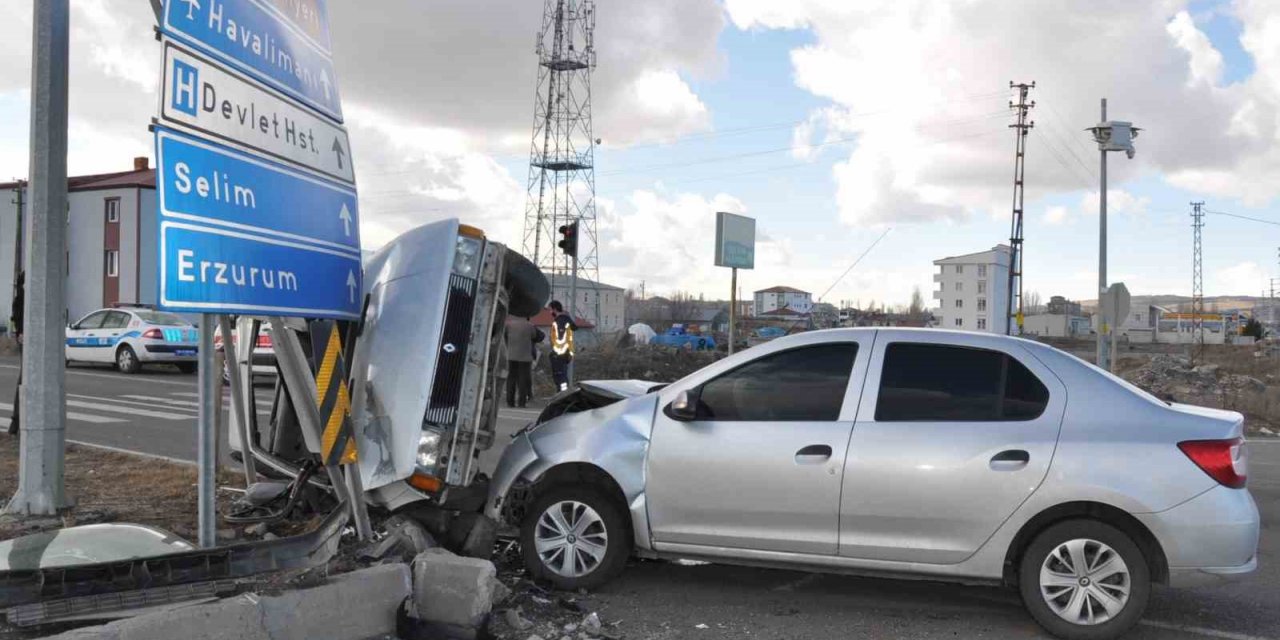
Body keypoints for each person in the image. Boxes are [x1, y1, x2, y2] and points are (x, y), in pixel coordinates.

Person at [504, 315, 542, 408]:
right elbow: (536, 336)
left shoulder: (509, 325)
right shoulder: (529, 326)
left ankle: (510, 402)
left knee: (511, 378)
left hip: (511, 355)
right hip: (525, 356)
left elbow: (505, 337)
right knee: (523, 380)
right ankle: (522, 402)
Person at [547, 300, 577, 392]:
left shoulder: (560, 321)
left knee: (560, 376)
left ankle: (562, 394)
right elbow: (574, 328)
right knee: (562, 375)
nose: (549, 312)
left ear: (555, 309)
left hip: (559, 353)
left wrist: (556, 352)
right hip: (567, 352)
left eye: (550, 310)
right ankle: (563, 393)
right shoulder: (567, 319)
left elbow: (561, 338)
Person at [8, 271, 23, 436]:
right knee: (25, 379)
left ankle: (16, 421)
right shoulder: (22, 298)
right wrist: (20, 333)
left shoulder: (20, 297)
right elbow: (16, 318)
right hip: (28, 343)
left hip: (27, 341)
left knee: (24, 379)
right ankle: (16, 421)